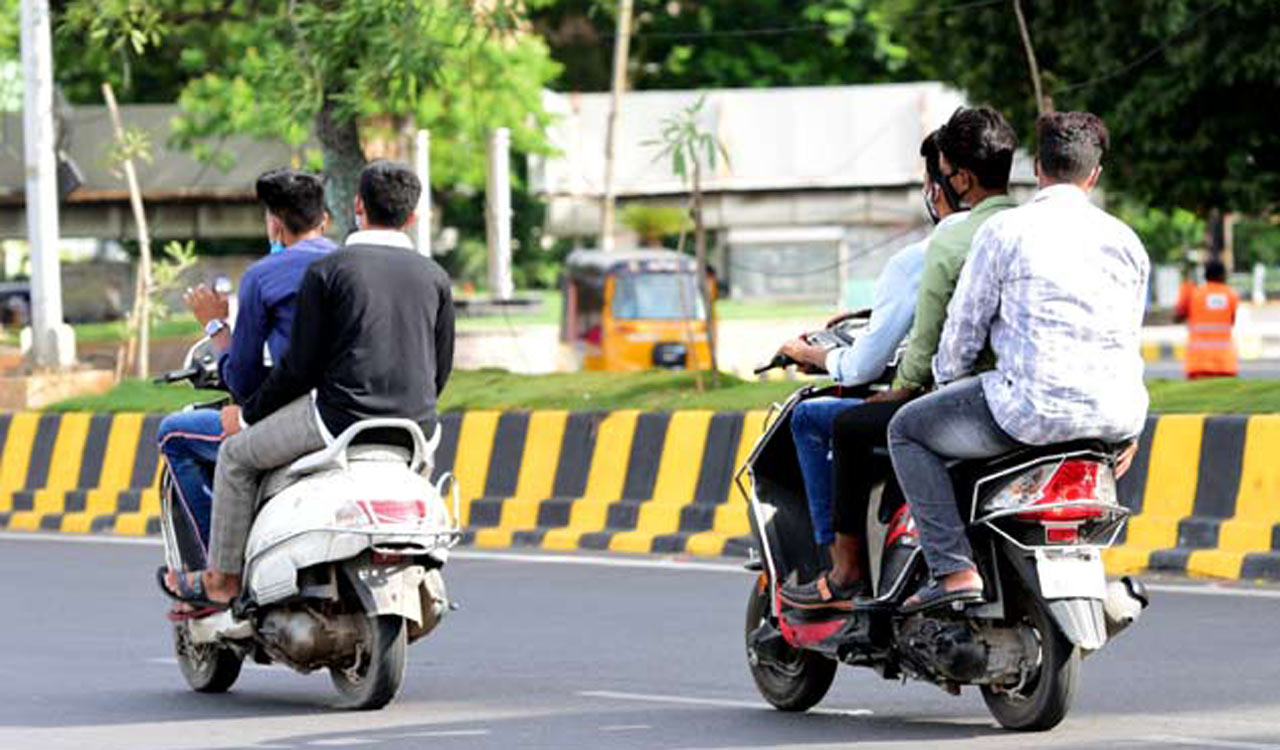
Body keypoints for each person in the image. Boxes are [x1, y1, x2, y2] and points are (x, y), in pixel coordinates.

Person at [160, 160, 456, 609]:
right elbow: (440, 368)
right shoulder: (434, 275)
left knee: (235, 455)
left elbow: (300, 367)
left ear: (357, 206)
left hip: (335, 418)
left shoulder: (332, 270)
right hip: (416, 426)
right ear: (413, 217)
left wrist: (250, 412)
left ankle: (221, 580)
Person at [887, 111, 1149, 613]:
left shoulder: (1006, 231)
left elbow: (963, 331)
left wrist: (947, 383)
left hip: (1026, 412)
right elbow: (1125, 339)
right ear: (1094, 174)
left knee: (907, 432)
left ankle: (953, 568)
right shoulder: (1127, 242)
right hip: (1115, 418)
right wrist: (1130, 425)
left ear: (1038, 168)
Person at [781, 107, 1019, 610]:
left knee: (850, 426)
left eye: (937, 177)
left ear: (957, 178)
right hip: (1040, 394)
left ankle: (846, 571)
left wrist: (904, 385)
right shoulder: (1030, 227)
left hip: (976, 398)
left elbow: (936, 343)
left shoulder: (947, 242)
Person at [157, 169, 334, 568]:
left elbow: (244, 378)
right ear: (324, 220)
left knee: (173, 433)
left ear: (273, 222)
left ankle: (215, 570)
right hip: (354, 408)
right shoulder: (348, 263)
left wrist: (216, 326)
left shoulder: (263, 276)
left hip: (298, 415)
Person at [1175, 258, 1238, 379]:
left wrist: (1186, 285)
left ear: (1205, 275)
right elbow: (1231, 321)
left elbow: (1178, 316)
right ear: (1222, 275)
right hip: (1225, 363)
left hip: (1198, 363)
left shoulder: (1194, 294)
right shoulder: (1231, 295)